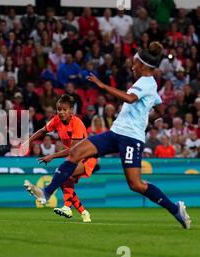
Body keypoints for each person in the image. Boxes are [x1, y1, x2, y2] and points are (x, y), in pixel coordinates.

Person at [28, 42, 191, 229]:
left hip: (130, 138)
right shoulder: (147, 83)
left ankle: (175, 209)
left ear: (144, 66)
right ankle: (46, 193)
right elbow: (161, 108)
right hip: (116, 132)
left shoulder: (146, 82)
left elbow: (129, 99)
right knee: (75, 153)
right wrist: (147, 117)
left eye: (135, 63)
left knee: (136, 184)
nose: (132, 66)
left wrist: (101, 85)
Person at [22, 95, 96, 222]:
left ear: (71, 110)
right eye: (59, 109)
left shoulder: (77, 124)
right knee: (65, 180)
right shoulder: (56, 120)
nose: (61, 112)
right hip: (75, 157)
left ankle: (54, 199)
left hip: (87, 157)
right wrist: (28, 141)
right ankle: (83, 212)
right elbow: (42, 131)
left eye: (64, 109)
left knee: (63, 172)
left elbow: (73, 149)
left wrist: (52, 156)